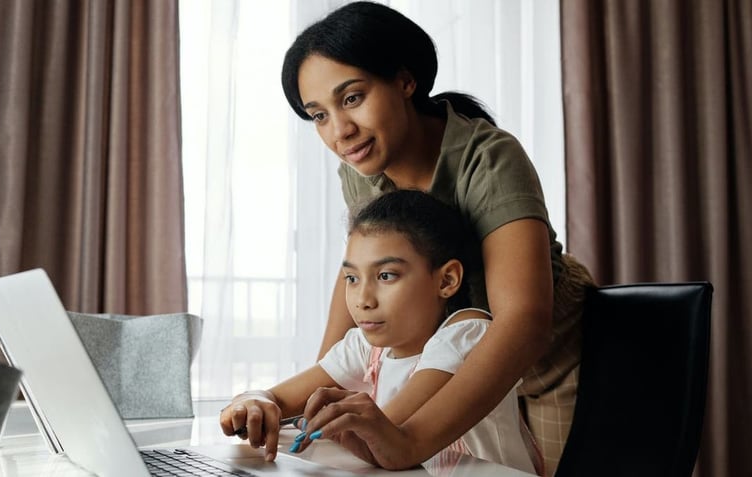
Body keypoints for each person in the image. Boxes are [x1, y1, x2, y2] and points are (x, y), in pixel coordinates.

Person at [278, 2, 596, 476]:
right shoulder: (359, 170)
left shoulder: (488, 158)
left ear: (405, 81)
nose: (339, 131)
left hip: (546, 355)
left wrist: (408, 440)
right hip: (449, 354)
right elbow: (359, 272)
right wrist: (317, 394)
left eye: (351, 99)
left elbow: (524, 320)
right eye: (318, 115)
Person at [220, 190, 537, 474]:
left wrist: (319, 419)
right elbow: (278, 397)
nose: (363, 300)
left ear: (446, 280)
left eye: (386, 276)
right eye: (352, 278)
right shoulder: (367, 348)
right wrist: (252, 402)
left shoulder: (467, 334)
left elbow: (387, 434)